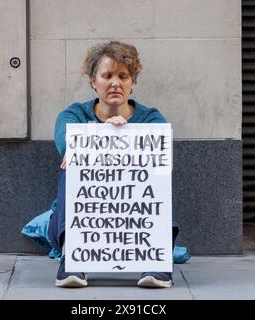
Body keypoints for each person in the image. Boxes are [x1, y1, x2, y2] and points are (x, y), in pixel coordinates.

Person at [48, 41, 179, 288]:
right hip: (82, 214)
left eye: (123, 76)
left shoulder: (152, 118)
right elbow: (66, 143)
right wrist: (103, 135)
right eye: (106, 76)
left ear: (133, 82)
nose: (115, 83)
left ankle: (155, 260)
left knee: (156, 176)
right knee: (73, 161)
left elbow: (159, 154)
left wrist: (125, 134)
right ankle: (74, 259)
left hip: (134, 215)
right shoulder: (73, 115)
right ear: (93, 81)